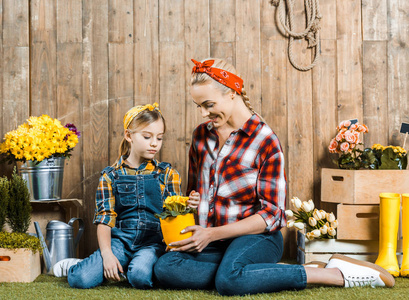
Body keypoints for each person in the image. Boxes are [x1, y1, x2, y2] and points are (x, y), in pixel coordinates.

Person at [153, 58, 395, 296]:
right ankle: (255, 274)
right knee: (165, 267)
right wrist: (190, 203)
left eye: (208, 104)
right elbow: (193, 191)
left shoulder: (265, 141)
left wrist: (212, 234)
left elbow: (272, 215)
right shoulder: (201, 136)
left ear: (232, 93)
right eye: (199, 106)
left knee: (229, 281)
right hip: (211, 241)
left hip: (257, 239)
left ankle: (331, 274)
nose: (204, 113)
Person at [52, 103, 200, 289]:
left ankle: (129, 267)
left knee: (139, 276)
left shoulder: (168, 173)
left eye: (159, 138)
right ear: (128, 135)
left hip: (152, 244)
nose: (154, 143)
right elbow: (105, 219)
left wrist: (189, 205)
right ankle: (77, 266)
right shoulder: (110, 176)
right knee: (80, 279)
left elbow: (175, 213)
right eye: (147, 137)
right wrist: (107, 254)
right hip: (120, 242)